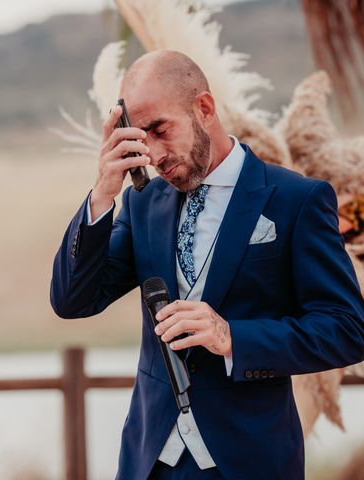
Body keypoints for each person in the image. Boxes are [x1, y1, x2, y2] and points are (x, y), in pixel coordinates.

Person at [50, 50, 364, 479]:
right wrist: (103, 193)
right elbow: (72, 300)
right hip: (149, 461)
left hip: (249, 460)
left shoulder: (297, 199)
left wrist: (233, 337)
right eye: (141, 139)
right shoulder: (142, 204)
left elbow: (347, 329)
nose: (155, 155)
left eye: (160, 130)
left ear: (204, 108)